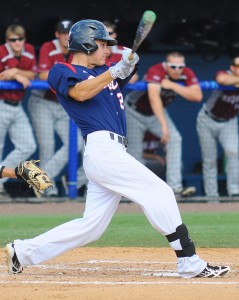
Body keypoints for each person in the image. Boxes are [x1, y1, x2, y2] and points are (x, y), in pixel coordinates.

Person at [6, 19, 230, 279]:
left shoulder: (105, 72)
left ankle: (22, 252)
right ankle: (189, 260)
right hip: (102, 149)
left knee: (91, 228)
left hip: (112, 152)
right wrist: (113, 71)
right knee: (160, 192)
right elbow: (79, 93)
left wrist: (129, 63)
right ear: (86, 44)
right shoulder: (62, 69)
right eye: (102, 45)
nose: (107, 51)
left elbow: (122, 72)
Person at [125, 52, 203, 197]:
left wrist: (172, 85)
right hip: (134, 111)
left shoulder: (186, 73)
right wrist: (164, 126)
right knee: (135, 153)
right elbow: (154, 99)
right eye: (173, 66)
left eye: (180, 67)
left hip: (157, 113)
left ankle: (175, 187)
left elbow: (197, 96)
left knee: (175, 139)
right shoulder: (156, 70)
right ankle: (133, 190)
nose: (177, 70)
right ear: (166, 65)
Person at [28, 19, 87, 197]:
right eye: (62, 33)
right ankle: (45, 189)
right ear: (57, 34)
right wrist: (68, 76)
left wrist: (63, 75)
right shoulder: (48, 47)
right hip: (42, 103)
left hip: (62, 104)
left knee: (76, 143)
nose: (65, 37)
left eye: (68, 33)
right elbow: (43, 74)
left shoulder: (77, 49)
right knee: (47, 147)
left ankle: (44, 180)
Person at [0, 24, 37, 198]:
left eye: (20, 39)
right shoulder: (1, 51)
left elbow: (33, 74)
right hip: (1, 104)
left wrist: (14, 71)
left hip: (18, 106)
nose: (17, 43)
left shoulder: (28, 50)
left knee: (28, 145)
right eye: (13, 40)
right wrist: (15, 75)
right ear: (8, 41)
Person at [196, 56, 239, 197]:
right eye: (238, 66)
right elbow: (222, 80)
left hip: (229, 122)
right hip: (207, 120)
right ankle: (212, 196)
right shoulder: (224, 73)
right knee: (210, 160)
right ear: (232, 68)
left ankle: (235, 192)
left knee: (233, 153)